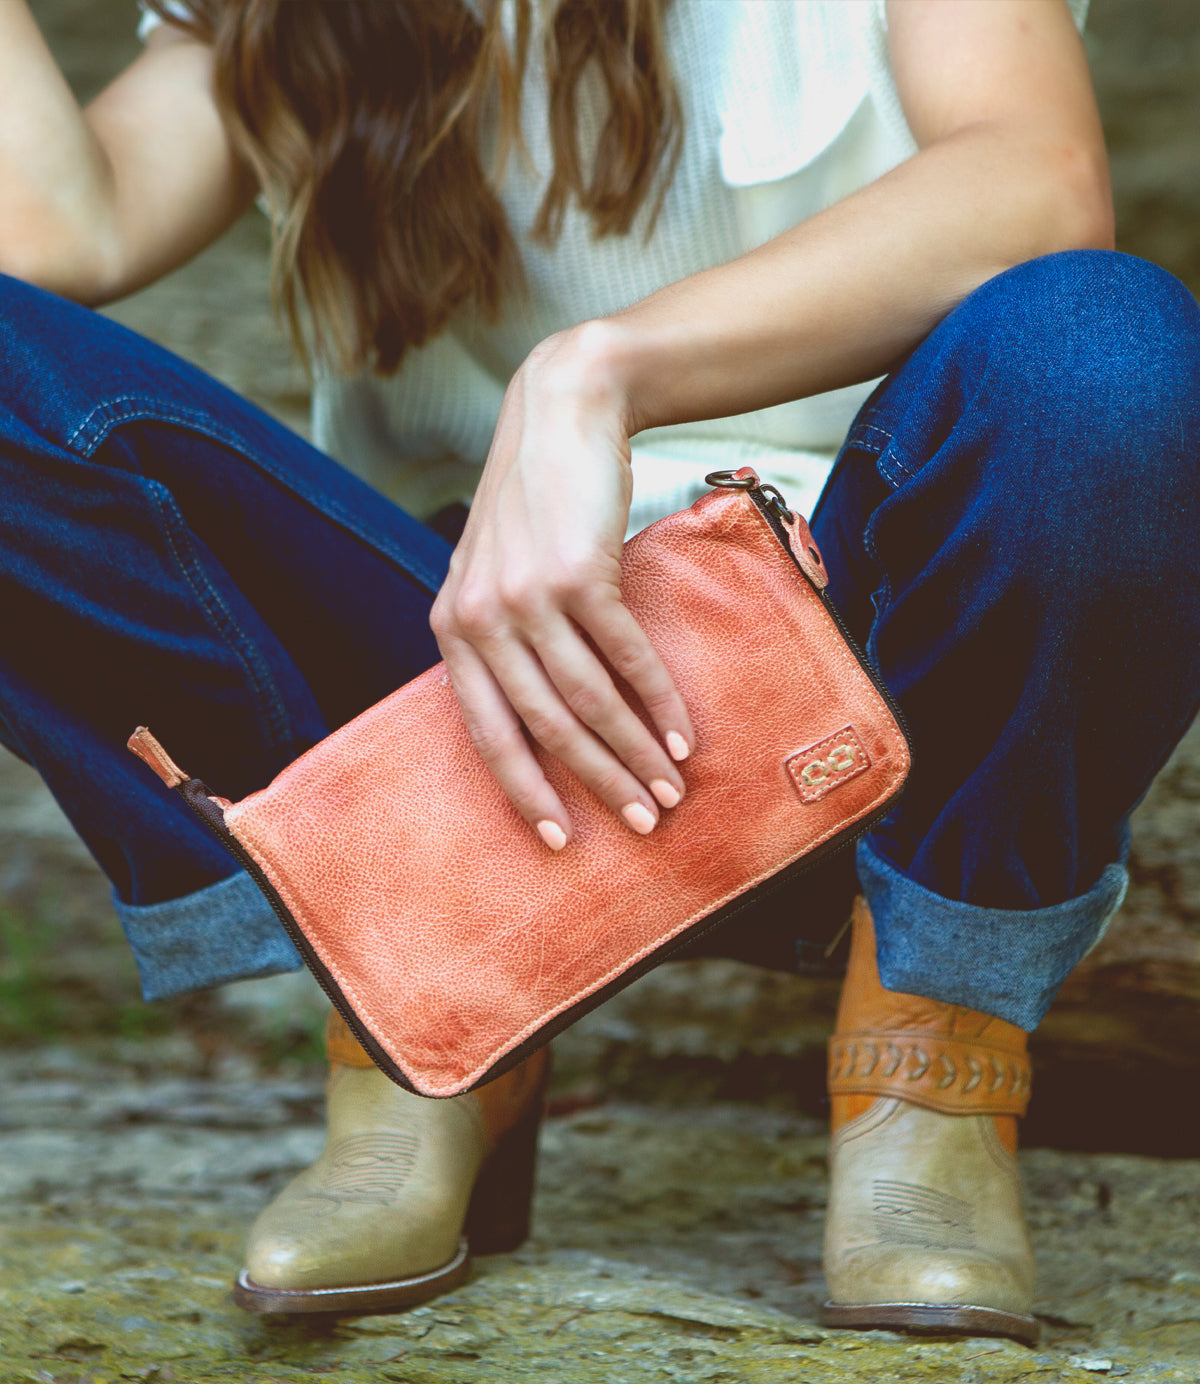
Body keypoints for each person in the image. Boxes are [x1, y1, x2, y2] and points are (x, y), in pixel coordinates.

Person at [1, 0, 1198, 1344]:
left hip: (867, 673)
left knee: (1105, 344)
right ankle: (408, 991)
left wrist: (597, 377)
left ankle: (931, 1066)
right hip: (445, 693)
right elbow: (55, 232)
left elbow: (1033, 183)